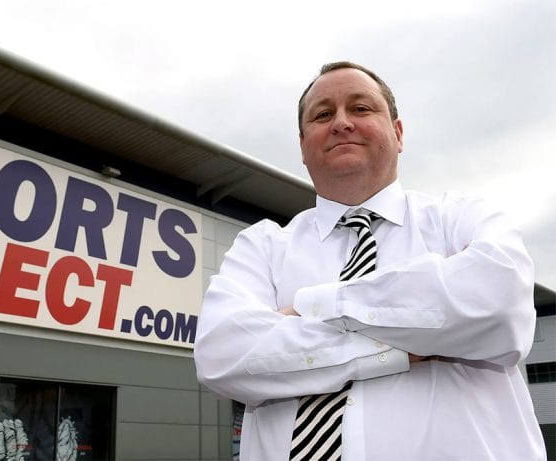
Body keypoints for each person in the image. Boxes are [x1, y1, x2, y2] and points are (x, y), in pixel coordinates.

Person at [193, 61, 546, 460]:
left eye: (361, 108)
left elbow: (499, 309)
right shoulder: (261, 246)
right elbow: (221, 356)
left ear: (397, 133)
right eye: (323, 114)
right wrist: (404, 344)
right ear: (303, 146)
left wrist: (315, 307)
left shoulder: (462, 218)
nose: (342, 123)